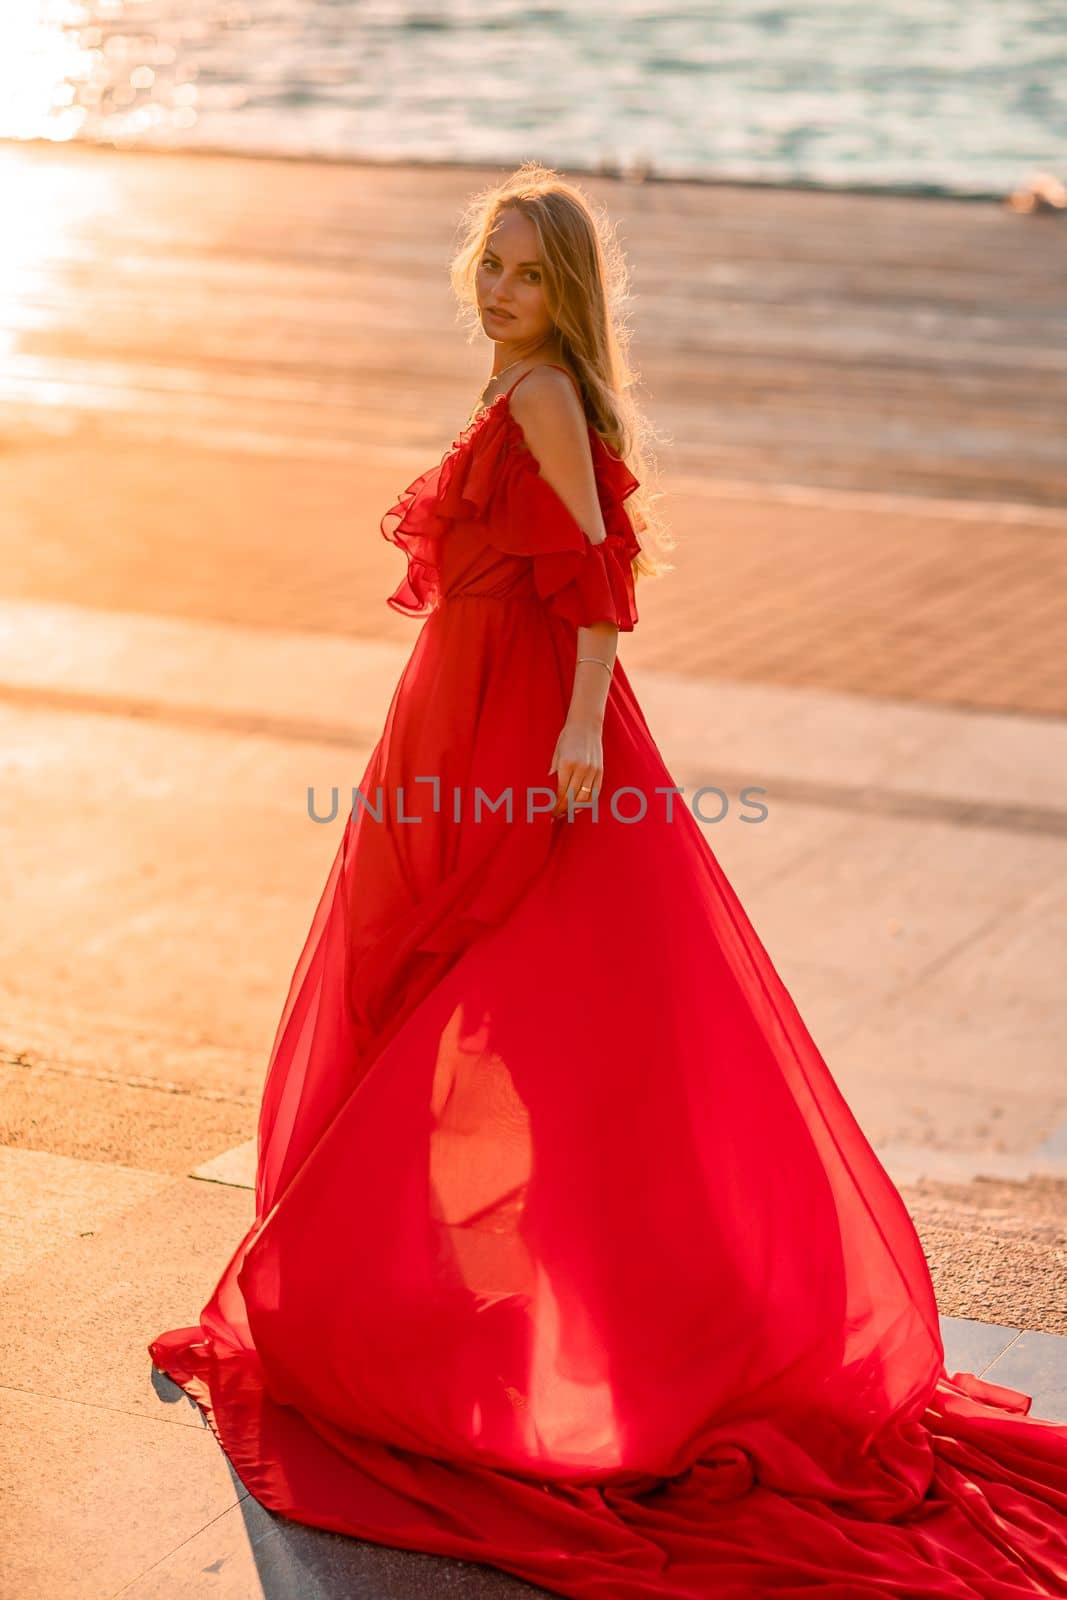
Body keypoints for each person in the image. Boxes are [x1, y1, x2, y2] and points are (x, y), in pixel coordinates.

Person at [149, 162, 1067, 1599]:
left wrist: (574, 735)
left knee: (494, 993)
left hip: (515, 722)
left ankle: (421, 1307)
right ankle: (425, 1298)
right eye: (491, 264)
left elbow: (598, 576)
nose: (500, 288)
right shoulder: (519, 388)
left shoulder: (542, 398)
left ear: (564, 290)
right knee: (439, 989)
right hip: (457, 707)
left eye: (525, 271)